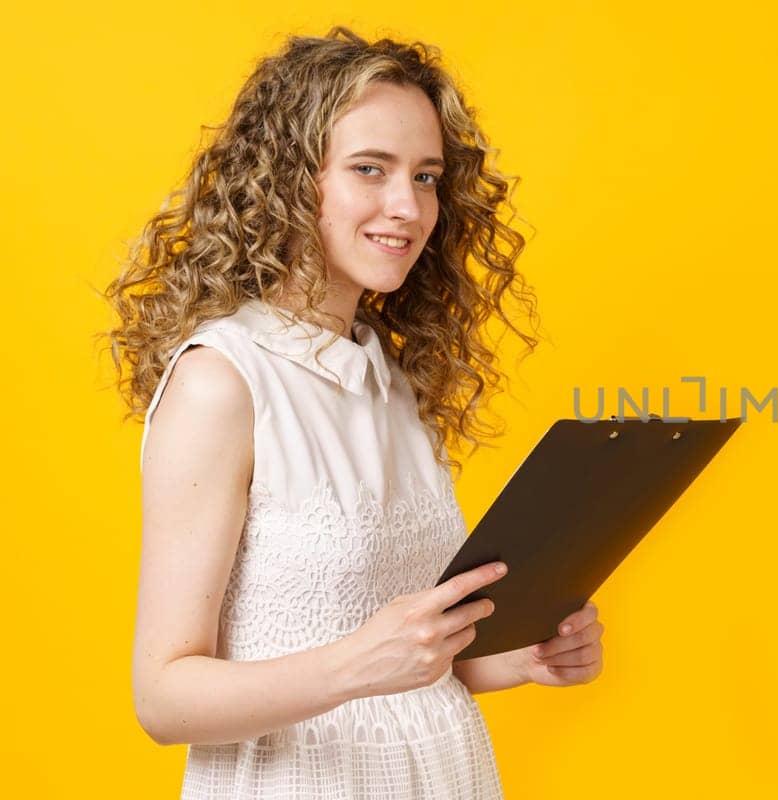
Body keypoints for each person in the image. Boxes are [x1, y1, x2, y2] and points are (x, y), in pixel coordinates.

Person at [101, 27, 604, 798]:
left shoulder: (387, 379)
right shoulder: (223, 382)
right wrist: (354, 665)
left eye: (428, 177)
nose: (408, 207)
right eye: (371, 169)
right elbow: (163, 698)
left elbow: (416, 657)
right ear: (289, 181)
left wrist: (521, 660)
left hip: (445, 775)